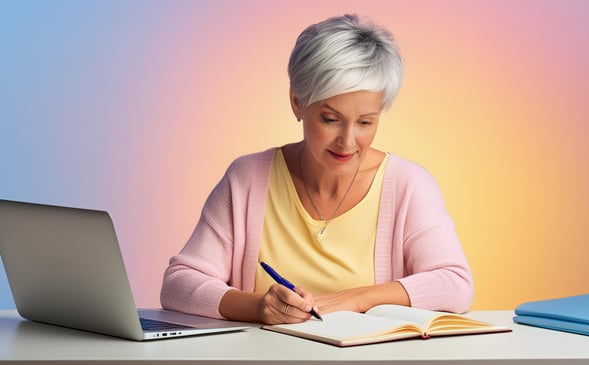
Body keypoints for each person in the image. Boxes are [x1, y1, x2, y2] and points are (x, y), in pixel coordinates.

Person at [160, 14, 473, 325]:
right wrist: (258, 307)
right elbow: (178, 284)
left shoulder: (409, 185)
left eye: (365, 122)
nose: (348, 141)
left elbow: (455, 284)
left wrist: (356, 299)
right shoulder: (247, 179)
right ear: (297, 102)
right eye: (330, 119)